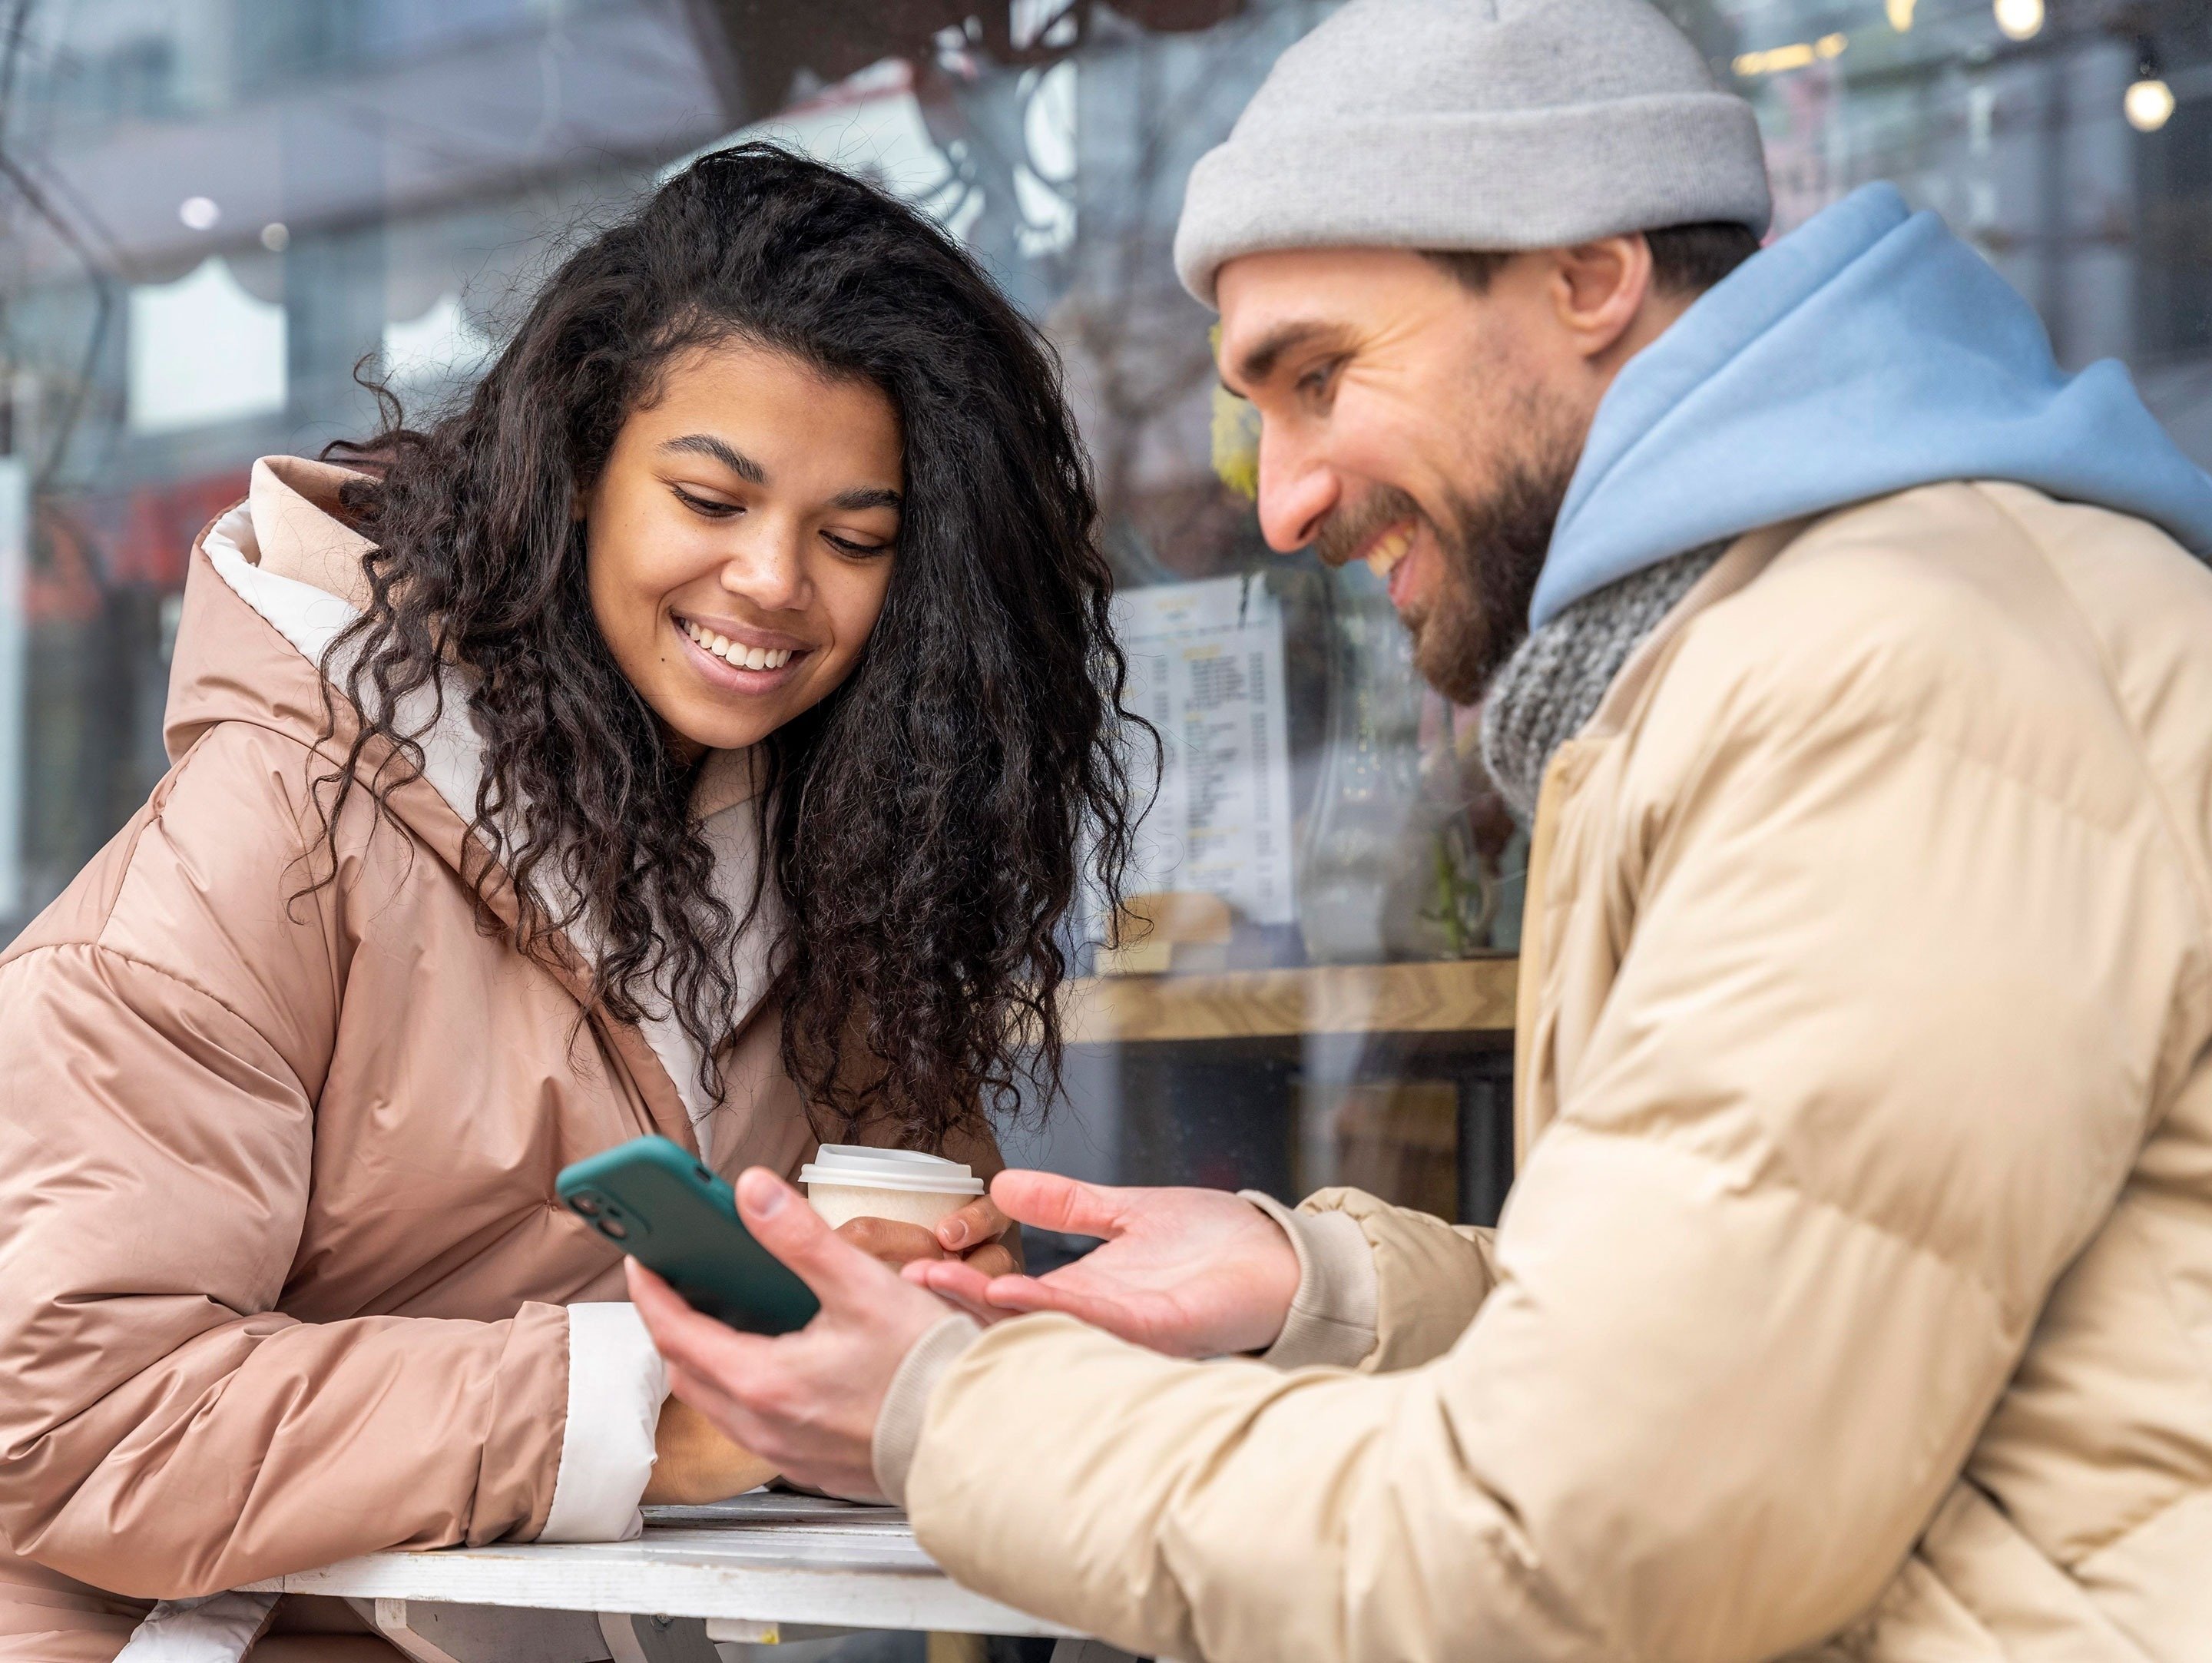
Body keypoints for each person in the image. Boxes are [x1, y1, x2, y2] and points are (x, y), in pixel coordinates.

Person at [628, 2, 2212, 1659]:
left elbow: (1582, 1544)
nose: (1286, 502)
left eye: (1322, 377)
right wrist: (1315, 1290)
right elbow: (1797, 1321)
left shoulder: (1889, 679)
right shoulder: (1815, 634)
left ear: (1586, 275)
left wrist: (944, 1409)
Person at [0, 145, 1136, 1662]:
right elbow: (67, 1405)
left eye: (857, 539)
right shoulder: (272, 829)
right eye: (709, 496)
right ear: (576, 468)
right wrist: (637, 1413)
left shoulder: (838, 848)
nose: (776, 579)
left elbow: (874, 1290)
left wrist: (933, 1314)